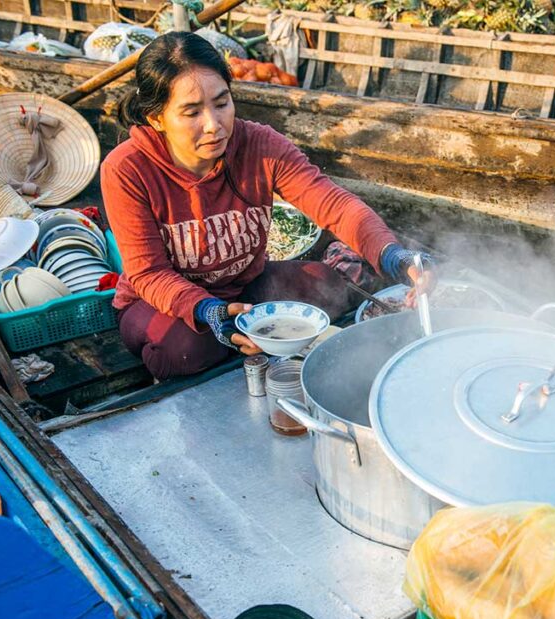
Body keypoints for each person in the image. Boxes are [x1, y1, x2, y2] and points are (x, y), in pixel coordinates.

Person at [101, 32, 432, 380]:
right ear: (156, 119)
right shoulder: (127, 169)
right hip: (162, 305)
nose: (214, 125)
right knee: (183, 351)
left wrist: (394, 255)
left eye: (222, 102)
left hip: (246, 288)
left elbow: (333, 204)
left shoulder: (259, 144)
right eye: (191, 112)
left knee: (331, 286)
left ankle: (245, 337)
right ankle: (230, 341)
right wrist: (209, 310)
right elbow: (148, 274)